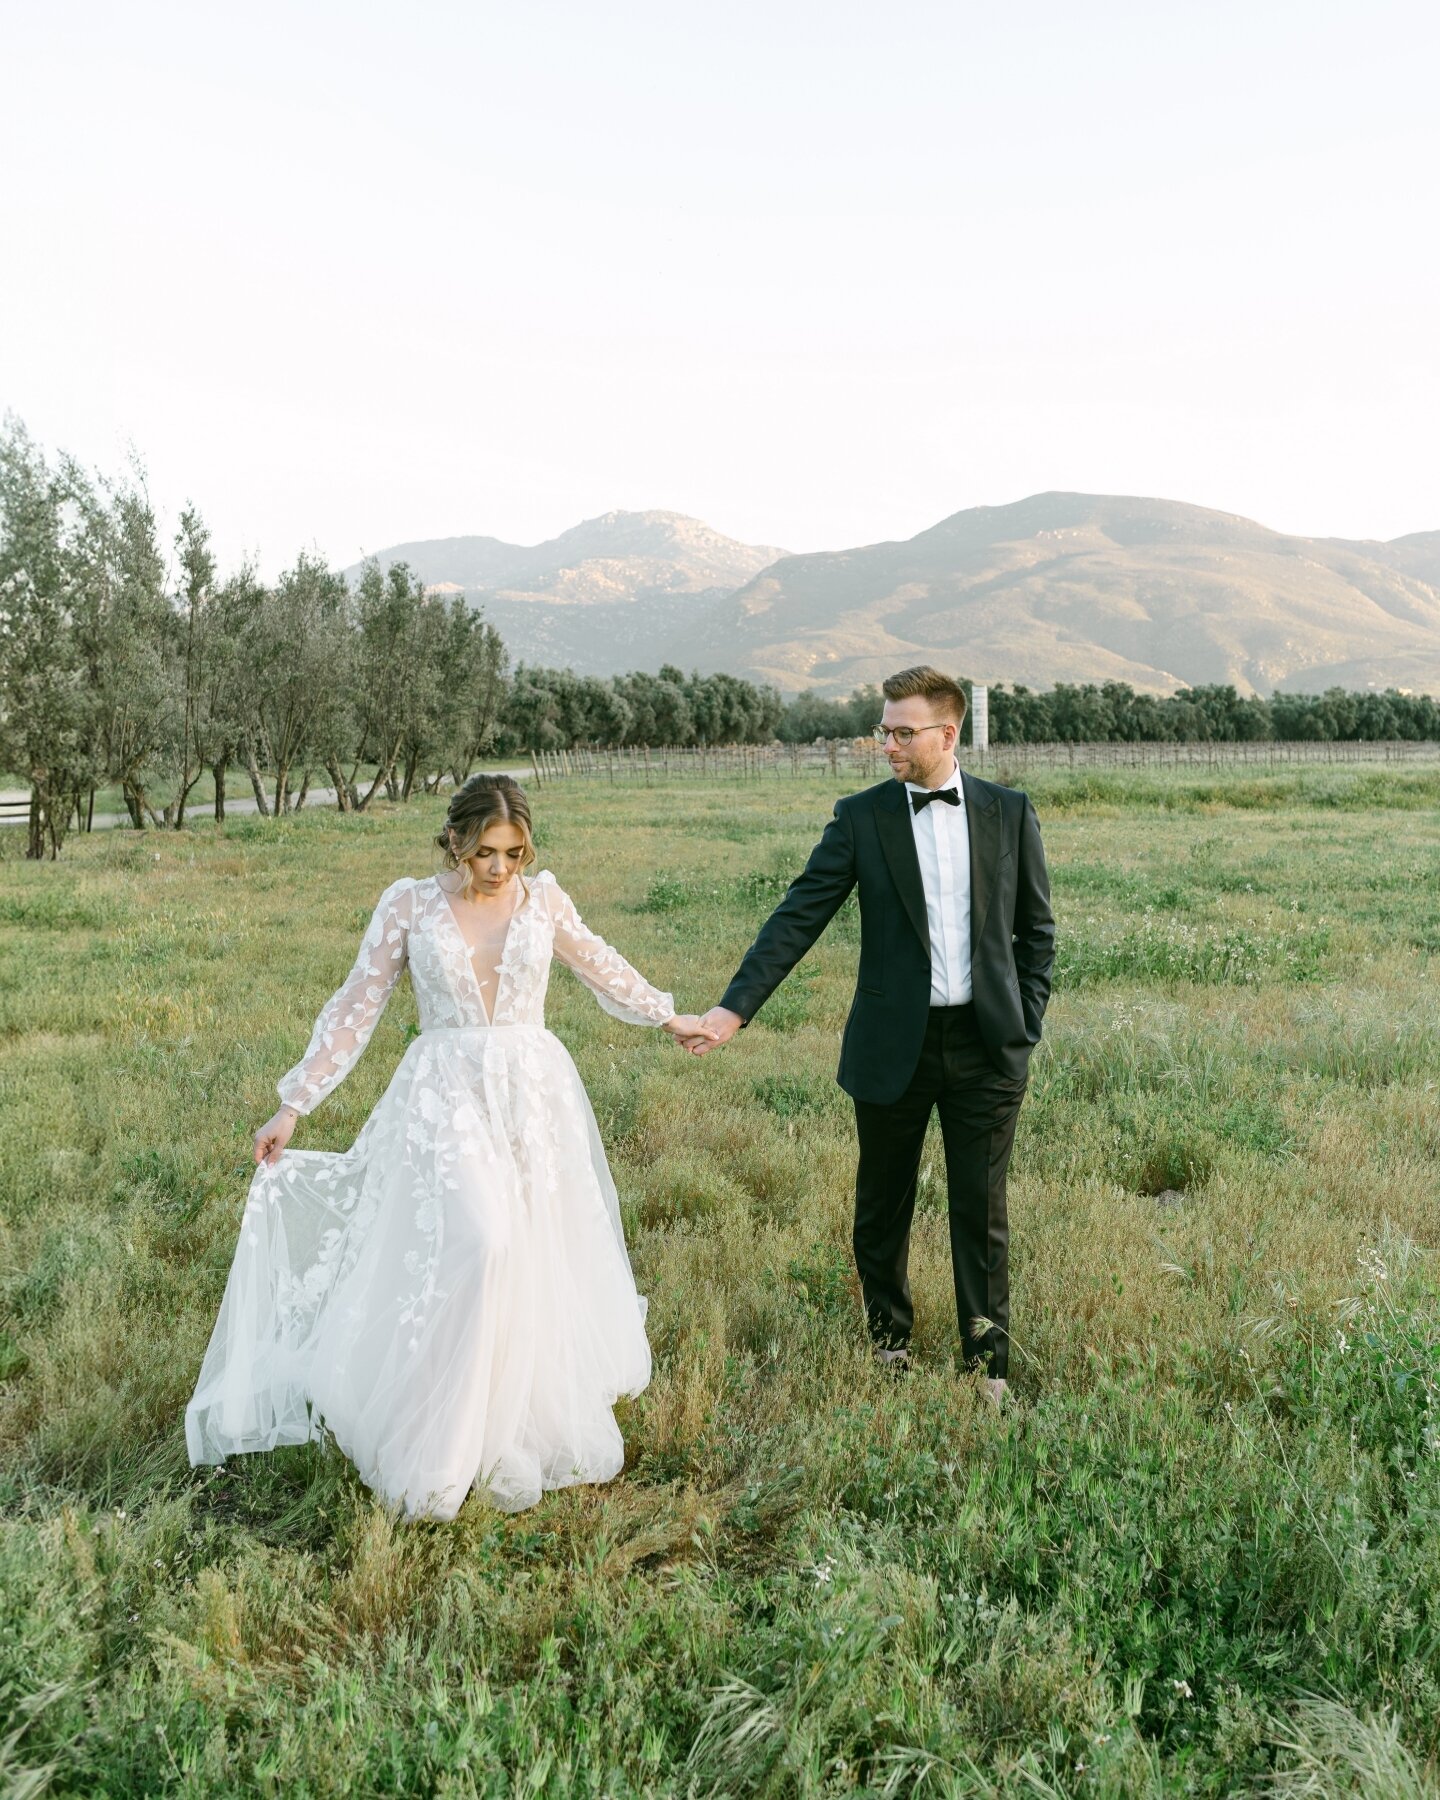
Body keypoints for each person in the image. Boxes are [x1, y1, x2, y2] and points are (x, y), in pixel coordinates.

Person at [186, 774, 716, 1518]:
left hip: (533, 1097)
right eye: (485, 852)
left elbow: (602, 963)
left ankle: (506, 1425)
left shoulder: (544, 901)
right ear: (456, 840)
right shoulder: (408, 904)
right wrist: (293, 1105)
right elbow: (353, 1007)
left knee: (526, 1250)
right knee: (483, 1241)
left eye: (514, 853)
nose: (499, 869)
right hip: (443, 1098)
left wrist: (669, 1016)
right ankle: (440, 1443)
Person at [690, 666, 1054, 1398]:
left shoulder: (1008, 812)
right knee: (882, 1201)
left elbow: (1035, 932)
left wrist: (1025, 1021)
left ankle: (988, 1366)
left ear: (947, 734)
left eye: (900, 731)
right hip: (895, 1045)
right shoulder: (861, 818)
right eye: (883, 730)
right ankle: (889, 1341)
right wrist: (733, 1009)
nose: (885, 743)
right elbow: (799, 914)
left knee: (981, 1212)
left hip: (987, 1046)